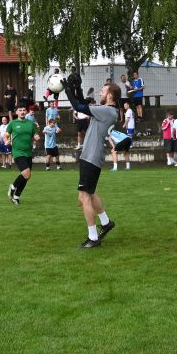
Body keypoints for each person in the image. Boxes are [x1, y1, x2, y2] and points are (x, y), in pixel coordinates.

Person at [61, 73, 118, 247]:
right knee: (89, 194)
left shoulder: (107, 111)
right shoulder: (108, 111)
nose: (100, 92)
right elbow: (83, 105)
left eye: (103, 91)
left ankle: (93, 238)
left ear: (110, 96)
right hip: (91, 156)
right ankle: (106, 222)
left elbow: (79, 106)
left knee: (83, 197)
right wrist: (77, 89)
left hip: (91, 157)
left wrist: (67, 90)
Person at [5, 104, 39, 204]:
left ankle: (16, 196)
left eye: (24, 110)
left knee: (26, 176)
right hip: (18, 152)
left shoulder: (31, 123)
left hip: (28, 153)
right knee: (26, 174)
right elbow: (6, 135)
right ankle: (12, 187)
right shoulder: (12, 123)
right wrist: (6, 140)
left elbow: (35, 133)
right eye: (20, 110)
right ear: (16, 112)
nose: (22, 112)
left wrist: (36, 136)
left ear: (26, 112)